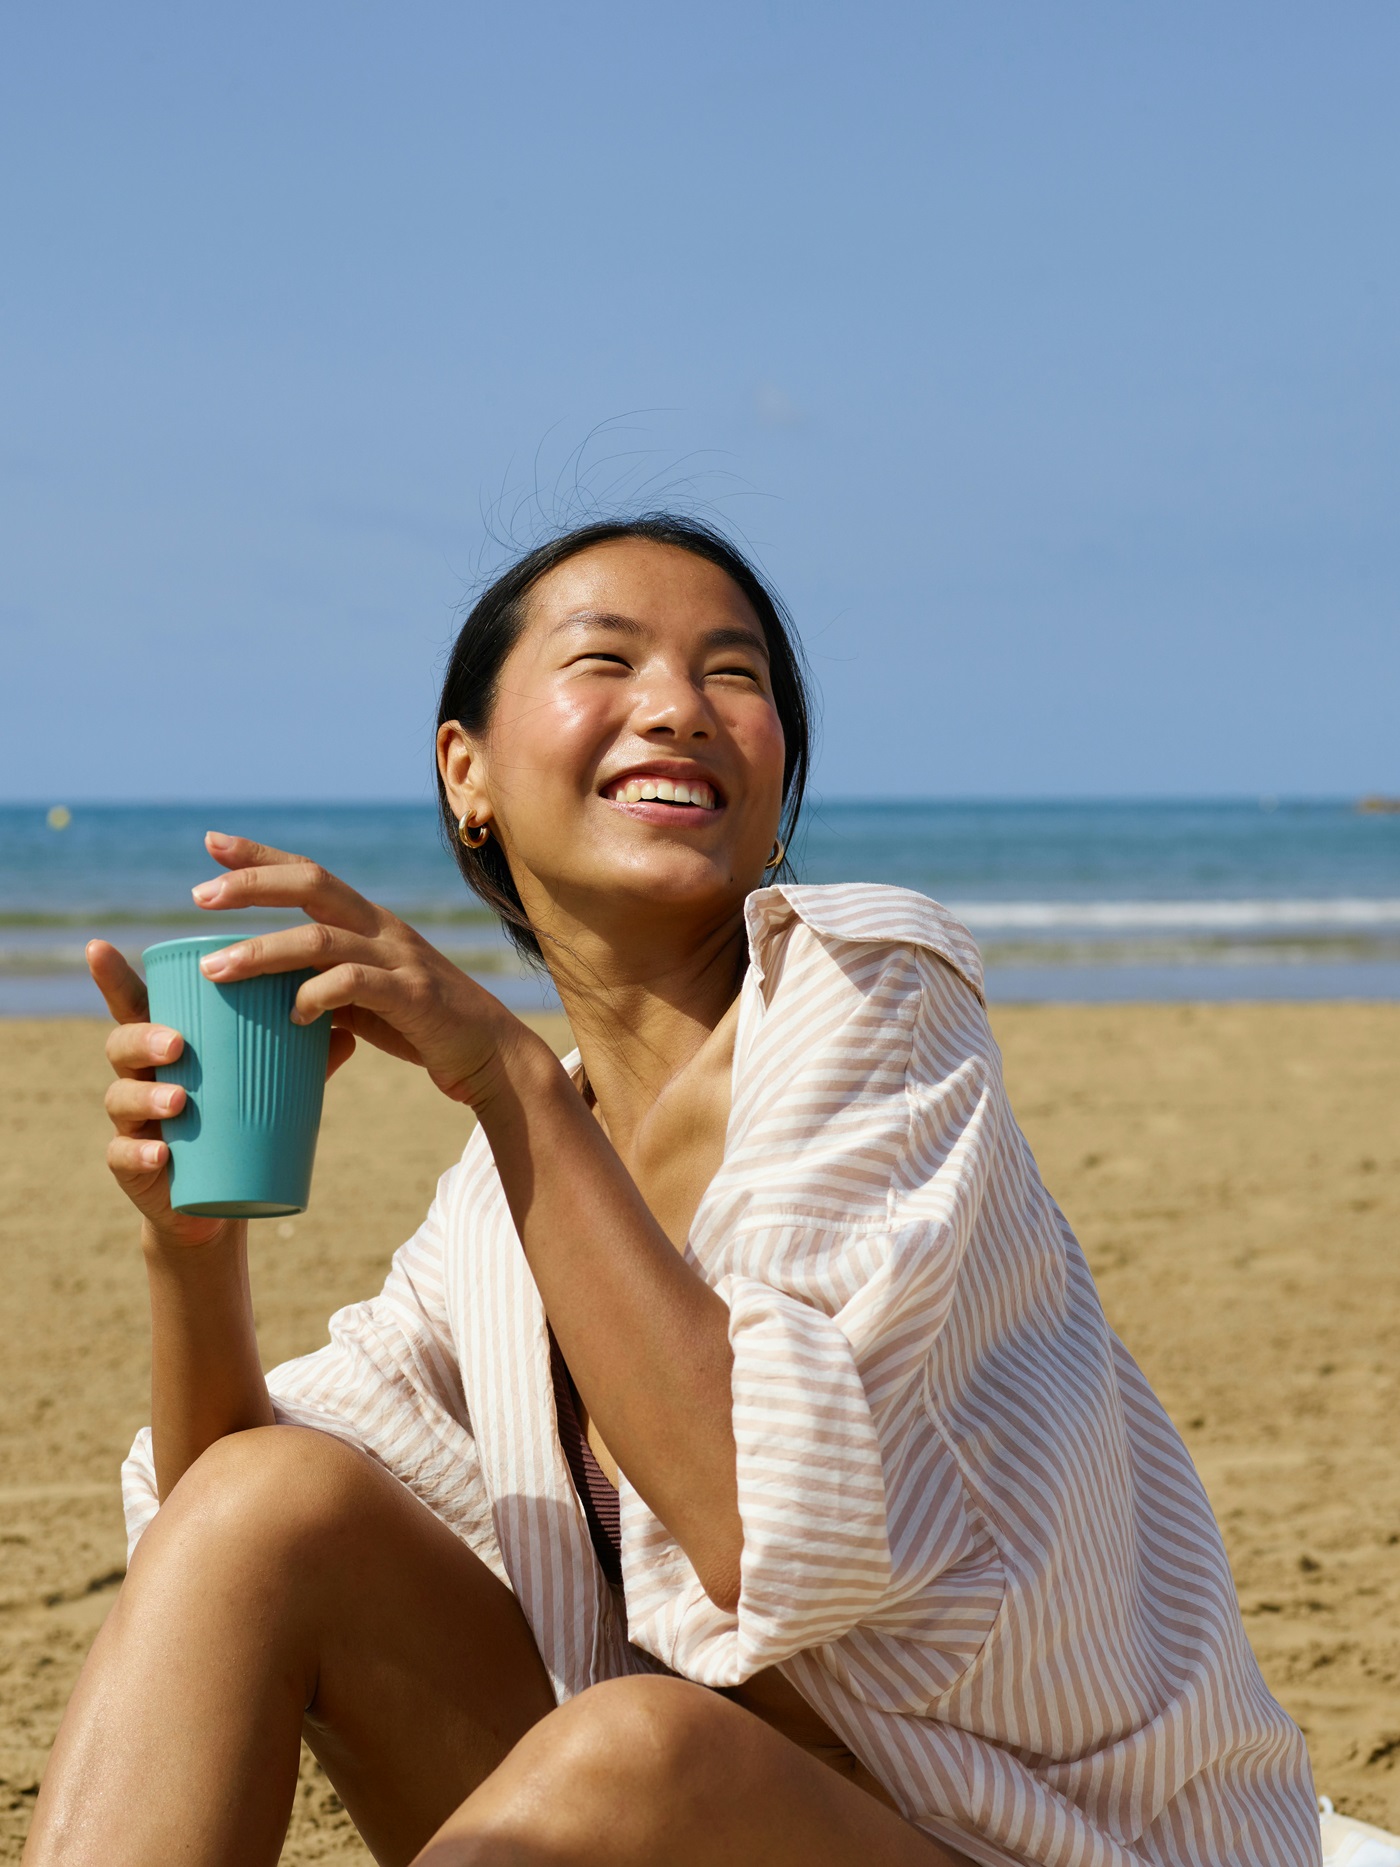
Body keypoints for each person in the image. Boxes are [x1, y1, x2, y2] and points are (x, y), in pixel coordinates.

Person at [24, 517, 1321, 1867]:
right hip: (675, 1830)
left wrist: (505, 1073)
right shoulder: (504, 1200)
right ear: (467, 773)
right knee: (265, 1504)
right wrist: (191, 1255)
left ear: (779, 780)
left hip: (1029, 1846)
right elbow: (216, 1546)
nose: (679, 708)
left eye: (734, 675)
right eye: (607, 659)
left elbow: (755, 1525)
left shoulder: (868, 996)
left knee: (641, 1747)